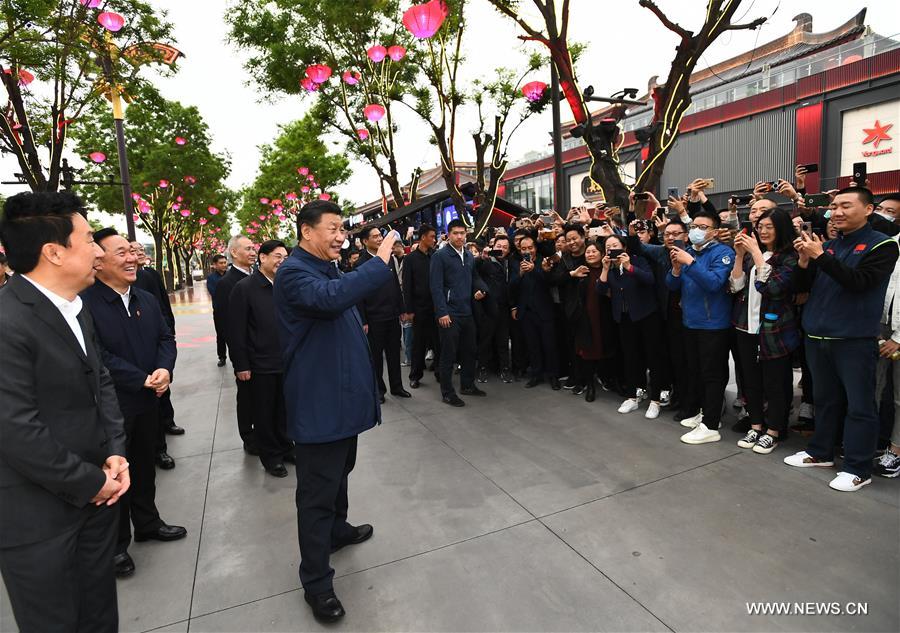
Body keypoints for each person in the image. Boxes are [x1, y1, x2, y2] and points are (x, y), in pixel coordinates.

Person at [0, 192, 128, 633]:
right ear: (53, 252)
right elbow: (16, 431)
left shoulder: (75, 307)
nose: (99, 251)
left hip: (97, 499)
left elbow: (100, 381)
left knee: (99, 616)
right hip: (37, 520)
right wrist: (91, 482)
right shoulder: (7, 321)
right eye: (89, 240)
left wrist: (115, 452)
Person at [273, 201, 398, 622]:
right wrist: (378, 263)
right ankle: (316, 581)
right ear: (306, 231)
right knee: (316, 495)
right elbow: (330, 300)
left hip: (341, 401)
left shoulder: (326, 268)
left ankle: (337, 530)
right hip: (319, 404)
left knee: (341, 471)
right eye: (333, 228)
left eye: (343, 229)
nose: (341, 236)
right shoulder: (295, 272)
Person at [81, 228, 186, 578]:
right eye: (121, 253)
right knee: (115, 474)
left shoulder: (145, 298)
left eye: (132, 251)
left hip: (147, 401)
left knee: (143, 466)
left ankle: (148, 523)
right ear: (99, 262)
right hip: (111, 408)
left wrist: (164, 369)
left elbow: (165, 337)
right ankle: (115, 547)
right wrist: (140, 378)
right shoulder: (85, 304)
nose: (132, 258)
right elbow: (97, 354)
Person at [785, 187, 900, 491]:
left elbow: (860, 283)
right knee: (824, 400)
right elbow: (801, 288)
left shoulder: (883, 245)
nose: (836, 212)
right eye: (834, 206)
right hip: (817, 334)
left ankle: (858, 468)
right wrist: (804, 261)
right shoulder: (830, 245)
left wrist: (821, 256)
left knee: (860, 405)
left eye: (846, 206)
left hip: (854, 338)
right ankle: (820, 452)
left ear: (869, 209)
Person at [729, 209, 799, 454]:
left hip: (774, 329)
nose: (763, 231)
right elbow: (736, 286)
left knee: (775, 383)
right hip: (745, 325)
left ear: (782, 228)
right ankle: (756, 425)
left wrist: (757, 254)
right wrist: (740, 256)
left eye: (769, 226)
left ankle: (774, 431)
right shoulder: (751, 255)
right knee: (751, 380)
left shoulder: (790, 257)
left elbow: (774, 288)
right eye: (760, 227)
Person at [667, 209, 735, 444]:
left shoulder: (723, 253)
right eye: (694, 226)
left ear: (715, 232)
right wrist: (676, 269)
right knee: (695, 371)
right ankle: (704, 413)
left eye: (703, 227)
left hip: (713, 324)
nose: (697, 230)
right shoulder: (687, 251)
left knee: (712, 374)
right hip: (690, 322)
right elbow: (672, 285)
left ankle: (712, 424)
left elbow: (714, 283)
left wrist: (691, 263)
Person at [228, 240, 295, 478]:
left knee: (284, 409)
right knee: (264, 413)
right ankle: (272, 456)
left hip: (286, 360)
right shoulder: (244, 288)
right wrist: (241, 364)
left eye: (285, 258)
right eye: (277, 256)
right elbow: (236, 331)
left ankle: (286, 447)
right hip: (260, 364)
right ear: (263, 258)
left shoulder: (285, 285)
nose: (281, 262)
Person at [598, 235, 666, 418]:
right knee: (630, 357)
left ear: (624, 247)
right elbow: (601, 290)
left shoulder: (638, 261)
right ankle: (632, 396)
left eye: (615, 245)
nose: (611, 249)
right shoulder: (610, 268)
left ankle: (655, 400)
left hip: (646, 315)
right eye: (608, 246)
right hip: (624, 318)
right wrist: (604, 269)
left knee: (653, 357)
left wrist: (629, 267)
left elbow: (649, 279)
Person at [130, 240, 181, 470]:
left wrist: (170, 328)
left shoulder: (149, 276)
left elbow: (162, 302)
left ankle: (165, 430)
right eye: (131, 251)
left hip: (155, 348)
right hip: (133, 369)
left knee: (162, 392)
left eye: (140, 250)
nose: (136, 255)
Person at [430, 219, 488, 407]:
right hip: (449, 312)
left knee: (469, 351)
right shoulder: (440, 256)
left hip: (467, 311)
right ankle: (447, 393)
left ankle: (467, 385)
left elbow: (474, 277)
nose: (459, 236)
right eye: (455, 233)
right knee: (448, 354)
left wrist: (482, 288)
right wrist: (442, 312)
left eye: (462, 233)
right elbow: (436, 287)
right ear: (448, 235)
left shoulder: (469, 255)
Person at [213, 235, 259, 454]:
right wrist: (240, 362)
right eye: (247, 249)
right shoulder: (226, 284)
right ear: (234, 252)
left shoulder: (258, 277)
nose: (253, 252)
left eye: (253, 248)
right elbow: (227, 326)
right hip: (246, 352)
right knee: (247, 396)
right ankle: (249, 437)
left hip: (265, 349)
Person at [355, 226, 410, 403]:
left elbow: (395, 286)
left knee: (394, 353)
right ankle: (379, 390)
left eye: (380, 235)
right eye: (375, 236)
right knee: (376, 357)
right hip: (373, 318)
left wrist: (402, 309)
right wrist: (363, 320)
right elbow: (359, 295)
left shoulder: (388, 258)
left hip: (392, 315)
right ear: (365, 241)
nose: (380, 239)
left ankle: (397, 386)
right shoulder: (360, 264)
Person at [511, 235, 560, 390]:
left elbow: (551, 282)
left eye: (530, 248)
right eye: (523, 249)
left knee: (550, 345)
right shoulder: (515, 263)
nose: (527, 251)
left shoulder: (544, 261)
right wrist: (520, 274)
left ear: (535, 248)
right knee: (532, 346)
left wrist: (536, 270)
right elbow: (511, 287)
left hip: (545, 310)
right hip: (526, 311)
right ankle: (536, 375)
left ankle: (553, 376)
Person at [874, 224, 900, 478]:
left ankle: (896, 450)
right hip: (880, 326)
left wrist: (898, 339)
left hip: (898, 332)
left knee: (899, 396)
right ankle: (872, 441)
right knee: (874, 388)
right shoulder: (889, 244)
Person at [402, 225, 440, 388]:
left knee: (438, 342)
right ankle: (415, 375)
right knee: (419, 343)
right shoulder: (410, 259)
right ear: (423, 237)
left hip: (437, 306)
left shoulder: (435, 256)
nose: (434, 240)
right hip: (419, 308)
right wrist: (409, 310)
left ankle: (440, 372)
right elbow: (407, 286)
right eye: (432, 236)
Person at [476, 234, 515, 383]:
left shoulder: (510, 263)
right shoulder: (485, 261)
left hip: (505, 308)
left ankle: (505, 369)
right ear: (493, 247)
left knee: (503, 340)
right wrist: (482, 257)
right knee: (485, 340)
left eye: (505, 247)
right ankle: (482, 369)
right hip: (488, 307)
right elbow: (475, 270)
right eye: (499, 246)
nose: (502, 249)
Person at [207, 253, 228, 365]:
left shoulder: (230, 275)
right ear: (215, 265)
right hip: (219, 311)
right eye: (221, 263)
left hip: (232, 310)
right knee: (220, 335)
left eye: (225, 262)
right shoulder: (211, 278)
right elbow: (214, 293)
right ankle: (222, 357)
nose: (224, 265)